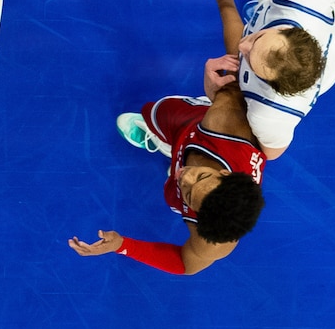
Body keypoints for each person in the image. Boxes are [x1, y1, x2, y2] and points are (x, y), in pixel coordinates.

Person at [68, 57, 266, 276]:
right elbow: (237, 60)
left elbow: (186, 263)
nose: (184, 177)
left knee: (173, 193)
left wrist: (121, 245)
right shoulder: (227, 121)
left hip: (199, 157)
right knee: (159, 110)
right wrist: (227, 20)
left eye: (189, 195)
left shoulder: (214, 239)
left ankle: (173, 154)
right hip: (201, 129)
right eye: (200, 177)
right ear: (224, 174)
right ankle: (167, 134)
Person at [199, 0, 335, 159]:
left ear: (270, 85)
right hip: (328, 3)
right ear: (286, 31)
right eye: (258, 38)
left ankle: (262, 15)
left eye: (250, 61)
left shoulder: (271, 113)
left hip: (332, 45)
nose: (243, 45)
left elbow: (271, 153)